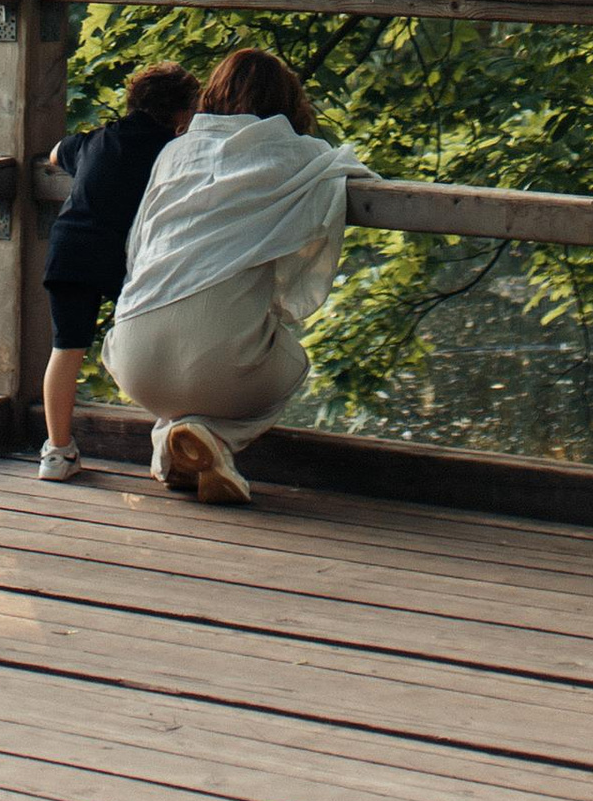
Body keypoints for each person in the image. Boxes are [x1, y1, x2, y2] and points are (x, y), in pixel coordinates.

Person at [105, 46, 361, 506]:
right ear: (287, 100)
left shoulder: (175, 152)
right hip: (221, 368)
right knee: (293, 362)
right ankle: (214, 439)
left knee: (179, 366)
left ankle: (178, 452)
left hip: (133, 360)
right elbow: (349, 169)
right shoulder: (299, 155)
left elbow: (137, 245)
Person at [36, 61, 200, 482]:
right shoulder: (173, 151)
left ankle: (56, 452)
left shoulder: (96, 140)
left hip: (68, 248)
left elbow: (56, 153)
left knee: (66, 348)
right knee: (162, 340)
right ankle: (177, 440)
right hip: (123, 259)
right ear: (184, 113)